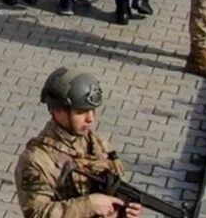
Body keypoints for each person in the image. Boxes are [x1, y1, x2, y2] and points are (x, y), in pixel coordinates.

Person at [15, 68, 144, 218]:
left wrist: (124, 210)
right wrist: (89, 205)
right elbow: (37, 214)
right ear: (59, 111)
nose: (90, 118)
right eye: (81, 112)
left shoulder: (98, 143)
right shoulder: (37, 160)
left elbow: (117, 184)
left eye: (93, 110)